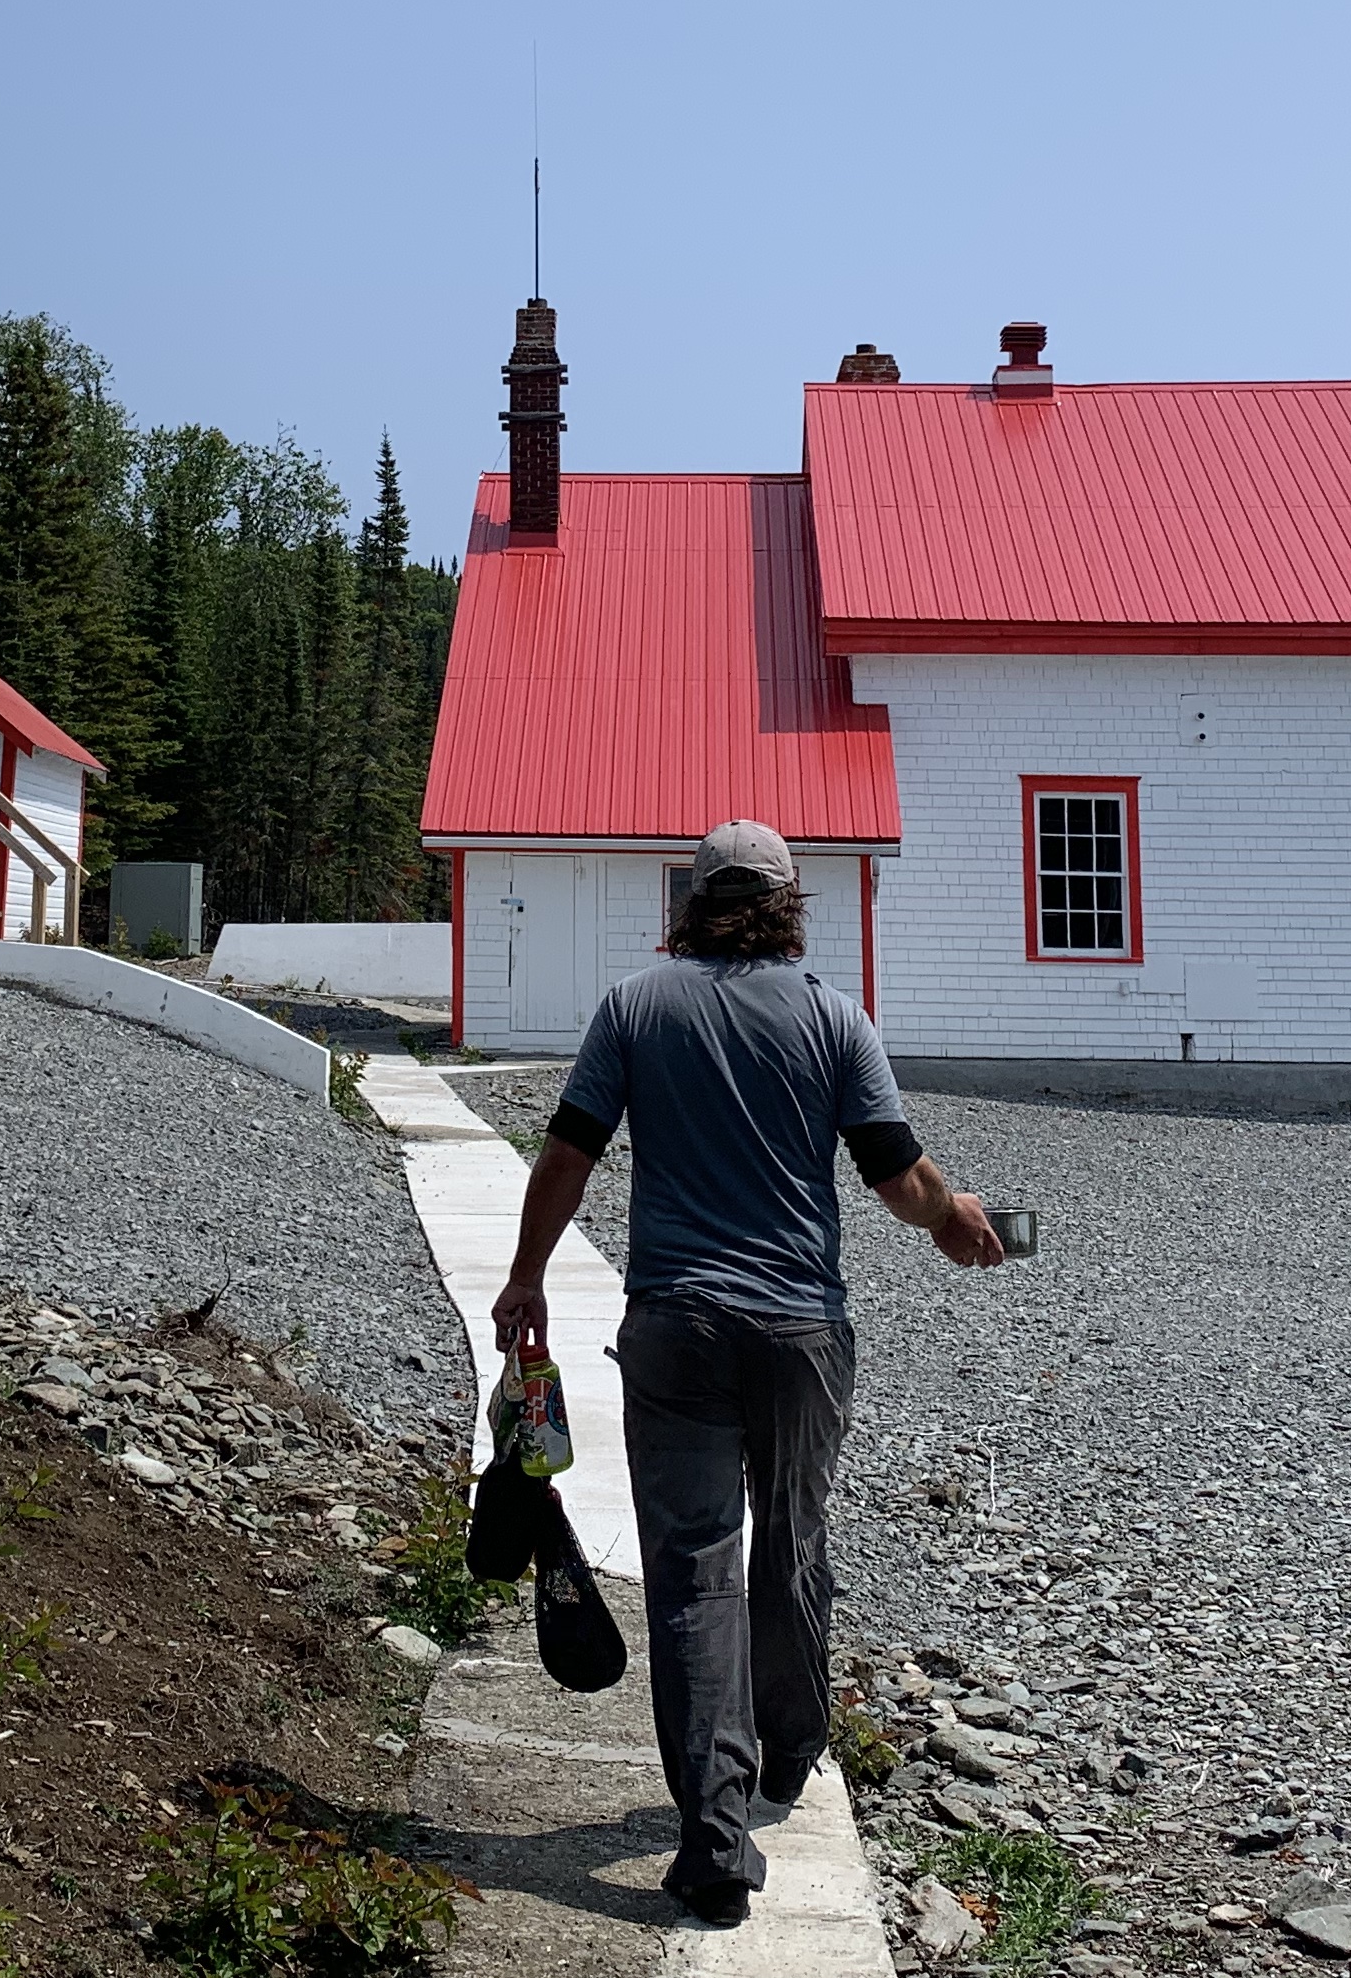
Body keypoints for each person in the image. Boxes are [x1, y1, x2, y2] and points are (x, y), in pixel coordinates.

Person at [488, 818, 1008, 1927]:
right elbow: (893, 1174)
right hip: (799, 1334)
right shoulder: (833, 1017)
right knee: (793, 1538)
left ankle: (714, 1839)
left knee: (691, 1570)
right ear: (786, 903)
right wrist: (953, 1222)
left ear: (690, 901)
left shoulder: (635, 1008)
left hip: (673, 1322)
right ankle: (792, 1750)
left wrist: (527, 1277)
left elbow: (569, 1154)